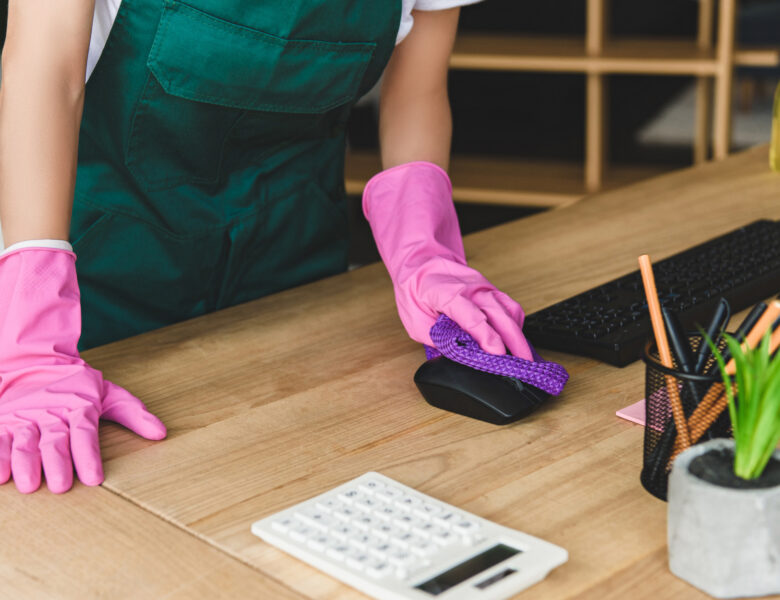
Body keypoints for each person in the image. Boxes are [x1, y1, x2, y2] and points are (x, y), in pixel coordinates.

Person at [0, 0, 533, 494]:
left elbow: (417, 89)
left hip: (294, 270)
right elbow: (44, 69)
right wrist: (32, 338)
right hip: (95, 272)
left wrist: (426, 252)